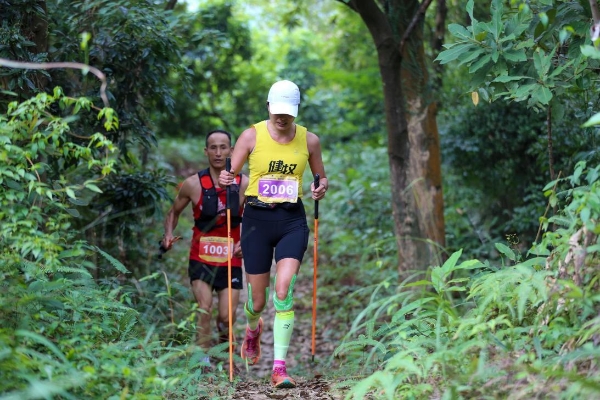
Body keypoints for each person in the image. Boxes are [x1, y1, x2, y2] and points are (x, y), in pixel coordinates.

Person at [219, 80, 328, 388]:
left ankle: (279, 368)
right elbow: (231, 175)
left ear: (296, 112)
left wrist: (320, 187)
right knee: (258, 300)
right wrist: (228, 177)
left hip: (292, 219)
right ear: (268, 107)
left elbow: (320, 178)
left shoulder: (310, 141)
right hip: (256, 219)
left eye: (288, 114)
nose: (282, 119)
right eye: (278, 112)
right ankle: (252, 329)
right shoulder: (251, 135)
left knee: (283, 292)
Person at [162, 129, 249, 371]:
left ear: (232, 150)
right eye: (213, 147)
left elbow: (258, 217)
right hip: (201, 257)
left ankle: (225, 352)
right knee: (204, 308)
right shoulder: (192, 184)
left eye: (224, 147)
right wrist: (168, 235)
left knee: (225, 317)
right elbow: (173, 212)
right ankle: (202, 363)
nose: (218, 152)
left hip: (231, 259)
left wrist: (248, 243)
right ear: (206, 151)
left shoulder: (245, 183)